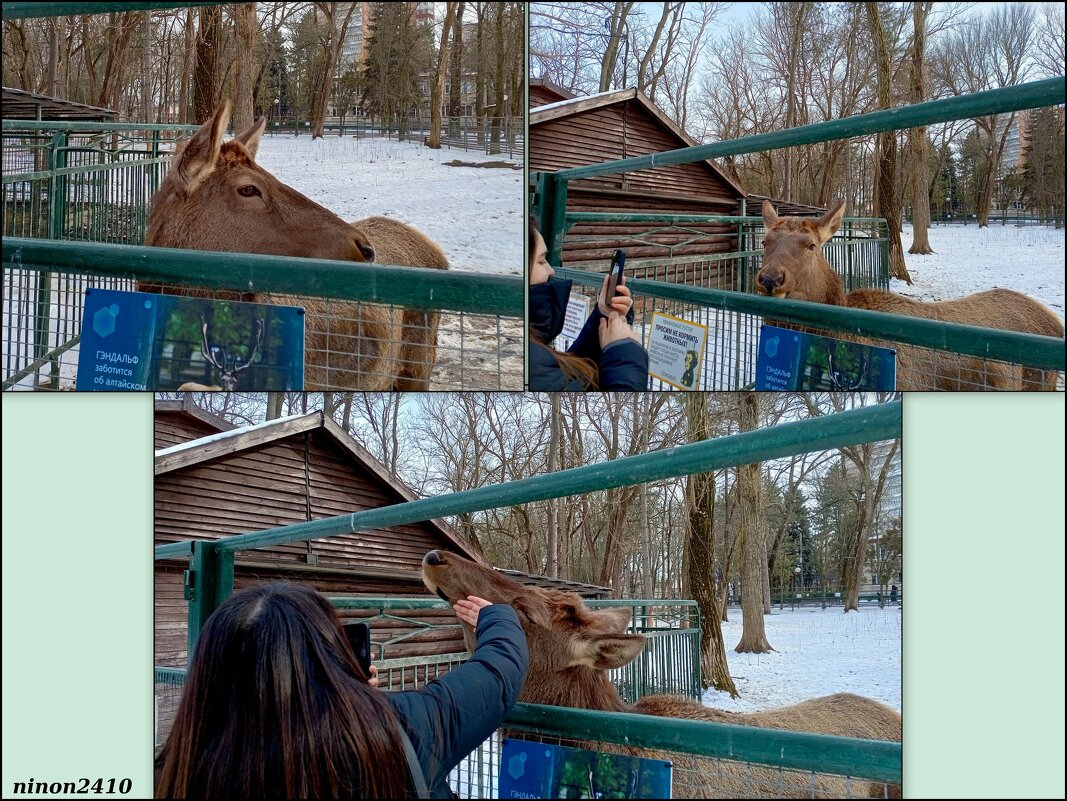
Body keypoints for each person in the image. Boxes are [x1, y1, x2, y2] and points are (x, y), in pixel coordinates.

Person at [155, 582, 527, 799]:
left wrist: (349, 697)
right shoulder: (401, 729)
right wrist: (497, 617)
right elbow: (497, 674)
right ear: (330, 654)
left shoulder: (174, 770)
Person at [528, 220, 648, 390]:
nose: (551, 270)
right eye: (541, 261)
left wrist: (603, 316)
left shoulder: (534, 346)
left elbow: (567, 374)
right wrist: (625, 352)